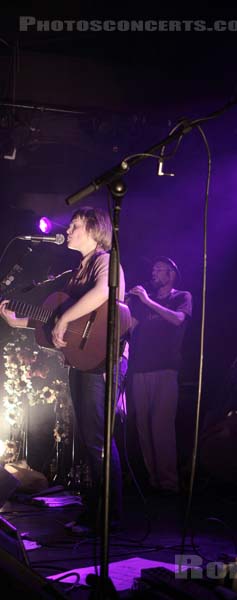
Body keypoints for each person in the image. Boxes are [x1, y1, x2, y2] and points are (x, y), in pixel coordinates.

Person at [0, 207, 127, 535]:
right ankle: (96, 510)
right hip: (81, 359)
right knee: (89, 439)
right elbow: (58, 323)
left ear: (93, 229)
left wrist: (68, 318)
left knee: (98, 439)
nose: (68, 230)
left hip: (104, 358)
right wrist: (22, 322)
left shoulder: (105, 259)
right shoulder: (76, 271)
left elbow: (104, 293)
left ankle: (110, 517)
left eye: (74, 225)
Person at [127, 257, 192, 494]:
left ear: (171, 274)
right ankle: (153, 481)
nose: (153, 274)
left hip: (165, 369)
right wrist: (121, 305)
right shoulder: (145, 302)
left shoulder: (181, 297)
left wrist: (146, 300)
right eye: (153, 270)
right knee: (143, 427)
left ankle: (169, 483)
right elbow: (128, 328)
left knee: (161, 427)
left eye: (159, 271)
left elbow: (177, 320)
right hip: (140, 369)